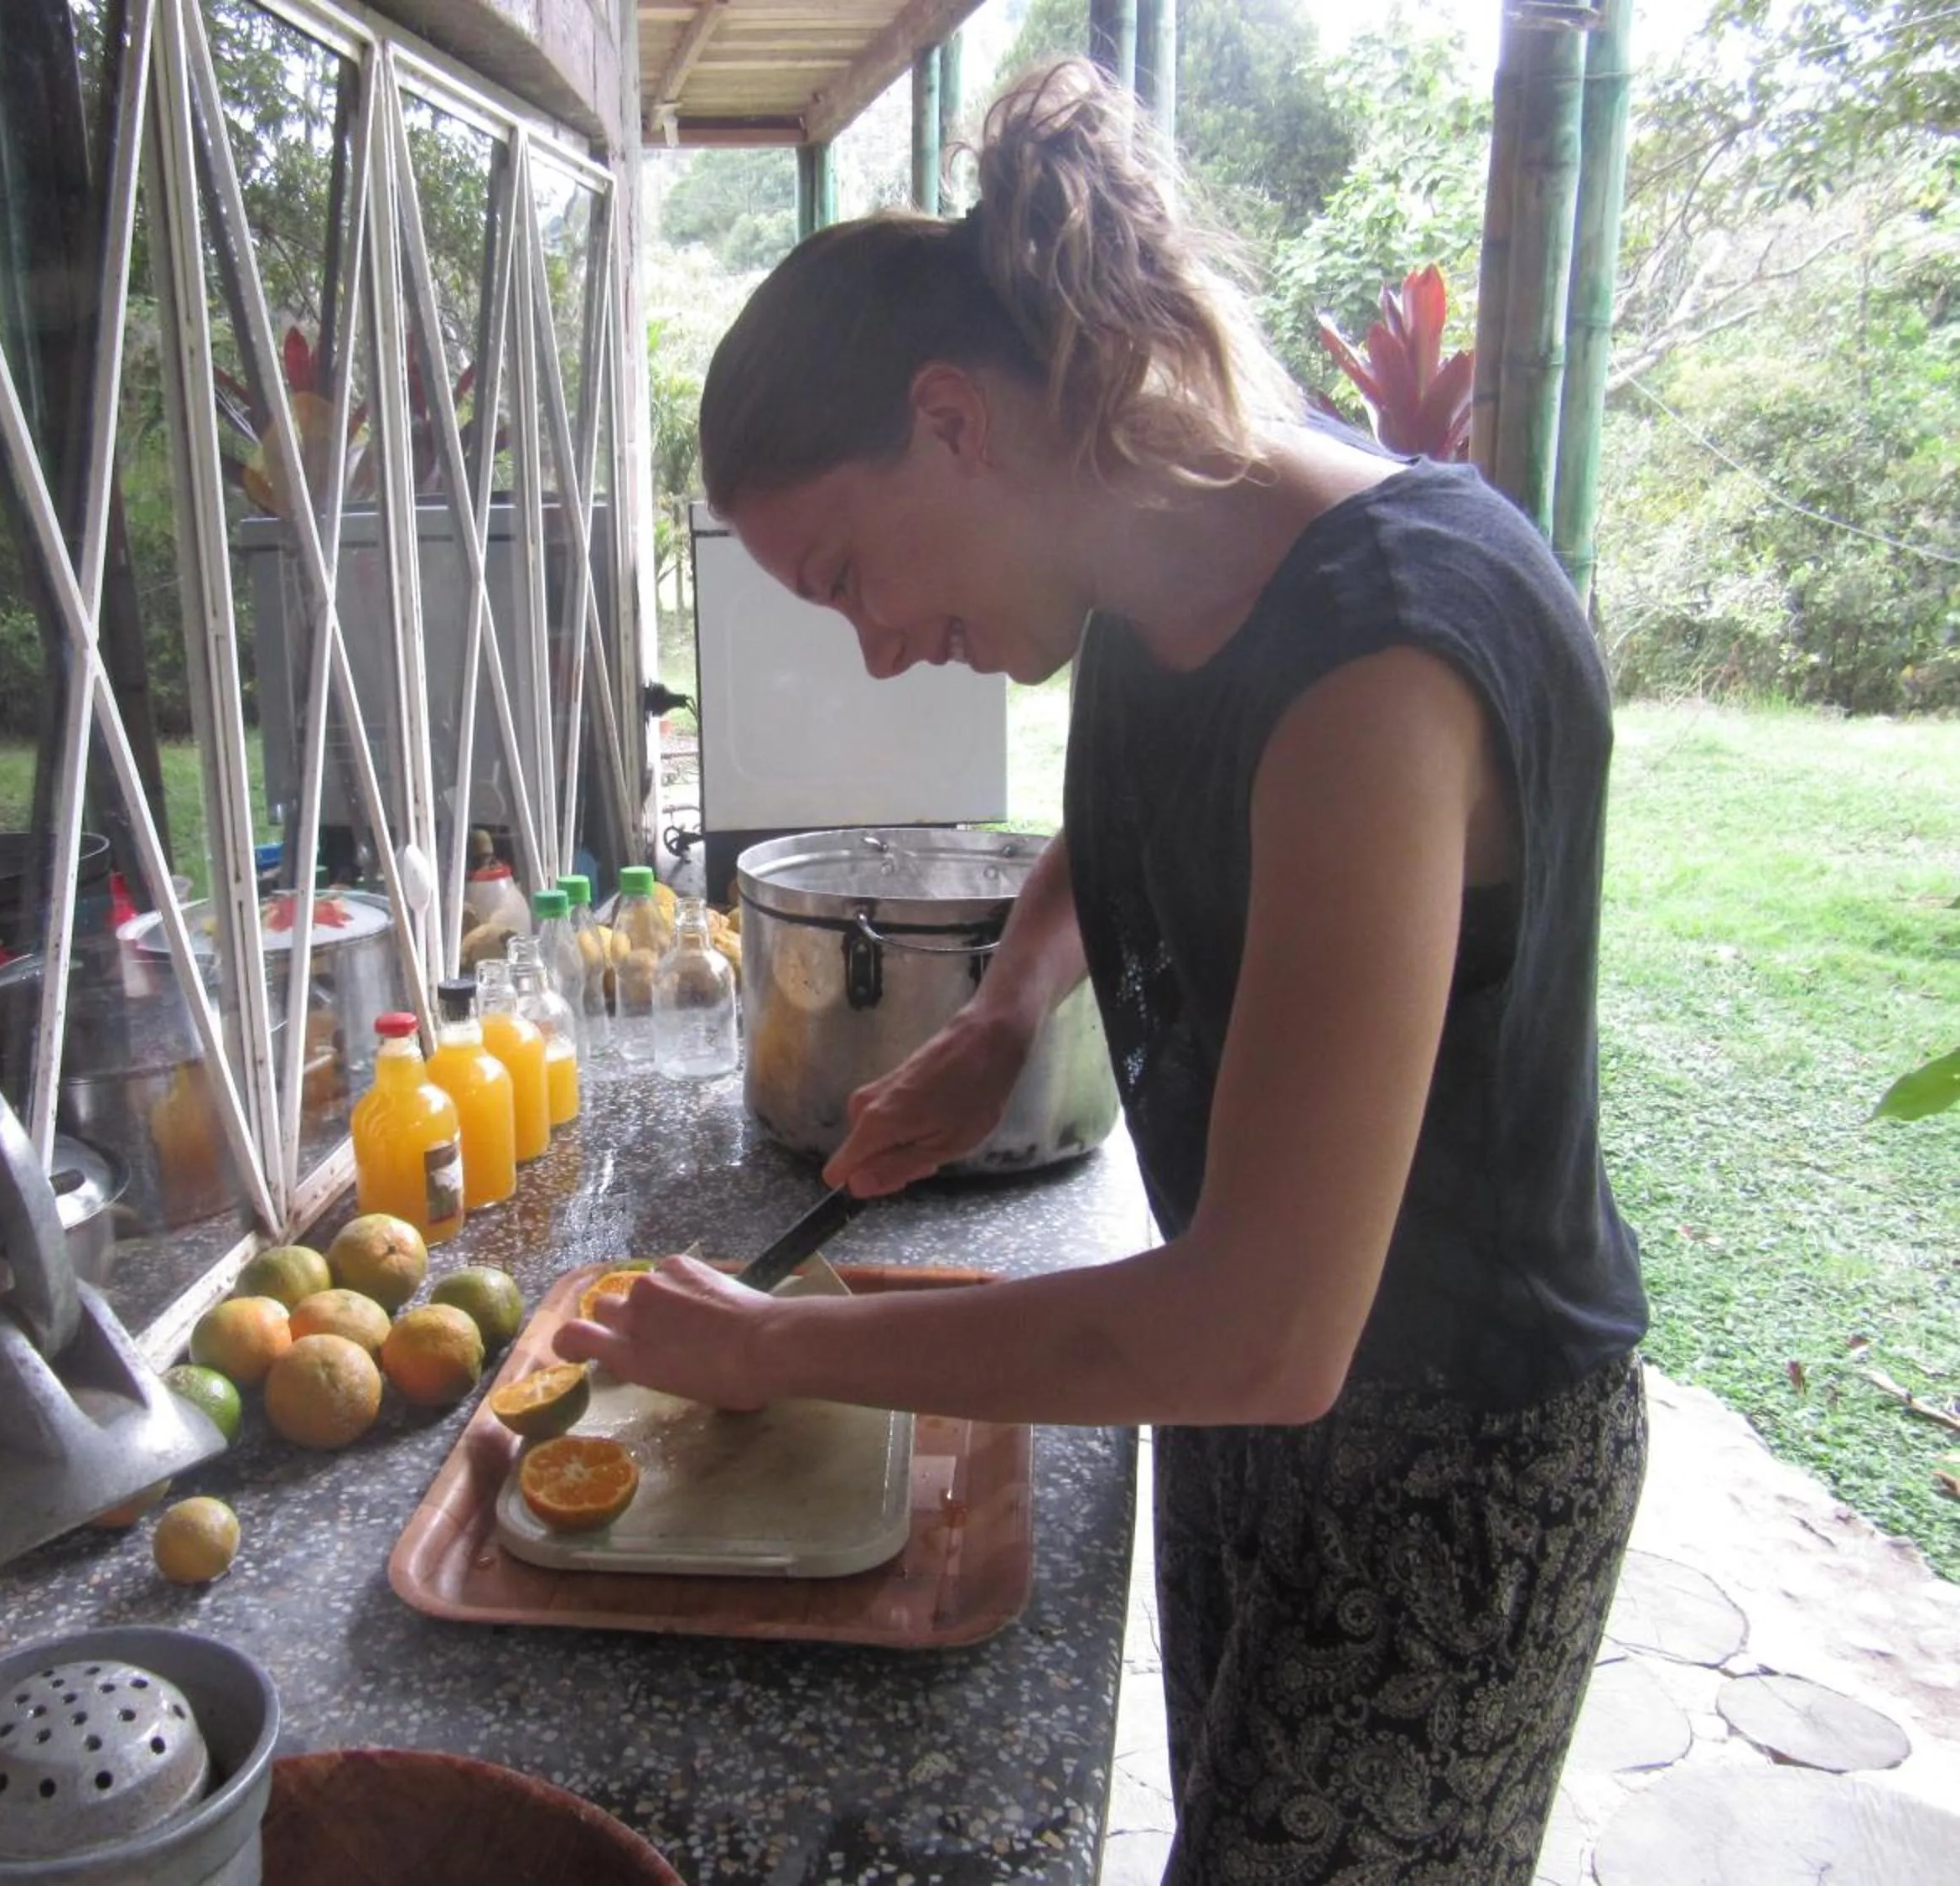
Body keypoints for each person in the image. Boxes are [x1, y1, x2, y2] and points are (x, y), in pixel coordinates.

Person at [553, 58, 1649, 1885]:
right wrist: (1003, 1011)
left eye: (845, 575)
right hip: (1267, 1404)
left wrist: (786, 1347)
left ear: (954, 421)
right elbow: (1129, 825)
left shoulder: (1385, 660)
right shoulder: (1161, 579)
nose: (880, 650)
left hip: (1446, 1461)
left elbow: (1260, 1328)